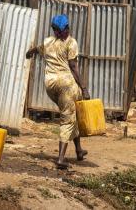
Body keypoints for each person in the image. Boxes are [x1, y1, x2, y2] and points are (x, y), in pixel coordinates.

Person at [26, 14, 90, 169]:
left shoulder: (48, 42)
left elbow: (36, 49)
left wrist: (30, 53)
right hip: (66, 85)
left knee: (71, 113)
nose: (62, 33)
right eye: (60, 30)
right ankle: (60, 159)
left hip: (50, 85)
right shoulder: (71, 43)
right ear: (63, 28)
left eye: (62, 30)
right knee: (67, 119)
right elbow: (74, 67)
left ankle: (79, 150)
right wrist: (84, 88)